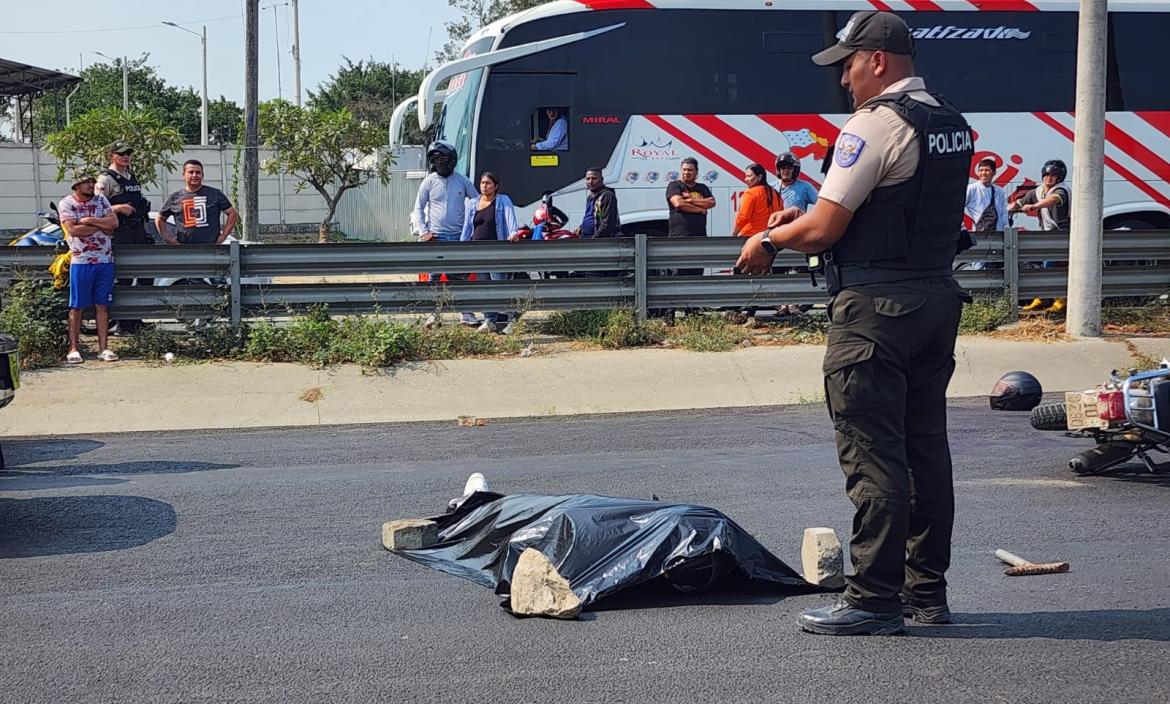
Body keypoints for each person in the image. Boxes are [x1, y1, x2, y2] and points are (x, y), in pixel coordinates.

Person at [736, 10, 974, 636]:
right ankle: (927, 593)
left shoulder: (874, 125)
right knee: (926, 448)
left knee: (874, 453)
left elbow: (825, 227)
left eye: (847, 64)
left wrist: (767, 238)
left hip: (876, 311)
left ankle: (871, 598)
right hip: (935, 301)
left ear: (877, 60)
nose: (843, 79)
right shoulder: (949, 120)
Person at [413, 142, 480, 326]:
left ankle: (466, 314)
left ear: (452, 160)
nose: (440, 163)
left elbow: (476, 204)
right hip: (436, 237)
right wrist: (423, 231)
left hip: (459, 237)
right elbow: (418, 208)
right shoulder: (429, 182)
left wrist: (472, 230)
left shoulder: (463, 181)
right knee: (434, 277)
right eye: (436, 159)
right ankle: (433, 315)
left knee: (461, 277)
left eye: (444, 159)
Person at [58, 170, 120, 364]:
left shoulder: (101, 200)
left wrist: (91, 221)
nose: (91, 185)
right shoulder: (67, 203)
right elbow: (73, 230)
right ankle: (74, 348)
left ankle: (104, 348)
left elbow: (114, 222)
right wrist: (102, 226)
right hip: (81, 260)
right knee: (77, 306)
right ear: (76, 185)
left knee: (102, 304)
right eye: (86, 182)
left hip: (105, 260)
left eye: (92, 181)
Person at [95, 141, 151, 334]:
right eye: (121, 153)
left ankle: (136, 319)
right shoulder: (105, 179)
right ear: (112, 155)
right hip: (120, 234)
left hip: (138, 232)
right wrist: (117, 208)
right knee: (124, 279)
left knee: (145, 276)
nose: (126, 156)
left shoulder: (130, 175)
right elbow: (95, 207)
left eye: (128, 153)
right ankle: (122, 323)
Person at [461, 172, 520, 333]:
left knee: (499, 286)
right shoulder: (473, 203)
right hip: (477, 251)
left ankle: (513, 319)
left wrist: (513, 233)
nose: (484, 186)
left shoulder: (502, 201)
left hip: (496, 251)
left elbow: (510, 220)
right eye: (482, 183)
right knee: (485, 287)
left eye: (488, 183)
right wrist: (461, 247)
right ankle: (490, 320)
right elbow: (467, 227)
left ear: (496, 186)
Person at [1009, 159, 1069, 312]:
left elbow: (1053, 200)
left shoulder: (1061, 190)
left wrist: (1035, 206)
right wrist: (1008, 209)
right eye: (1047, 175)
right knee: (1043, 266)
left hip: (1061, 234)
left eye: (1053, 176)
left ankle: (1060, 300)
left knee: (1053, 266)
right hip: (1046, 236)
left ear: (1059, 178)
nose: (1049, 178)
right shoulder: (1037, 191)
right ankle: (1041, 297)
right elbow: (1020, 202)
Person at [155, 160, 238, 245]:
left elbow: (232, 213)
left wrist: (224, 235)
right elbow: (160, 219)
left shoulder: (215, 194)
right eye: (191, 172)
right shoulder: (174, 198)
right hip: (184, 251)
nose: (194, 175)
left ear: (202, 175)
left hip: (212, 250)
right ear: (183, 175)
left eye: (198, 172)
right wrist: (168, 239)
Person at [732, 164, 783, 238]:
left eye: (749, 176)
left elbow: (743, 217)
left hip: (751, 236)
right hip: (772, 236)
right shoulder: (776, 193)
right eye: (746, 176)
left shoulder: (750, 193)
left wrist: (734, 234)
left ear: (759, 177)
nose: (745, 179)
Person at [964, 157, 1008, 233]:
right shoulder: (971, 189)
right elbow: (958, 209)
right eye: (981, 170)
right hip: (979, 234)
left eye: (987, 170)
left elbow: (1003, 212)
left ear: (994, 172)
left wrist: (1006, 228)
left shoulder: (999, 190)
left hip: (998, 234)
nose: (983, 173)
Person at [575, 168, 621, 239]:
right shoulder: (591, 196)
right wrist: (581, 227)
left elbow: (607, 223)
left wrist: (595, 239)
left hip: (600, 242)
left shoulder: (607, 196)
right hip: (588, 238)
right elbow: (594, 216)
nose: (590, 181)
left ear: (602, 180)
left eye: (594, 178)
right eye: (588, 179)